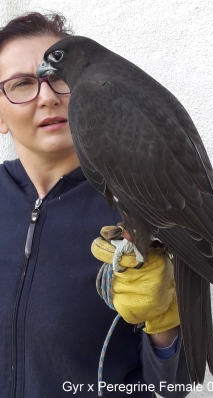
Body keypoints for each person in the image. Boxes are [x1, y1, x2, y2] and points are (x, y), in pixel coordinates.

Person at [0, 12, 190, 398]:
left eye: (57, 78)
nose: (48, 96)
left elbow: (173, 388)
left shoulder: (133, 204)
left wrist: (162, 323)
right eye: (22, 84)